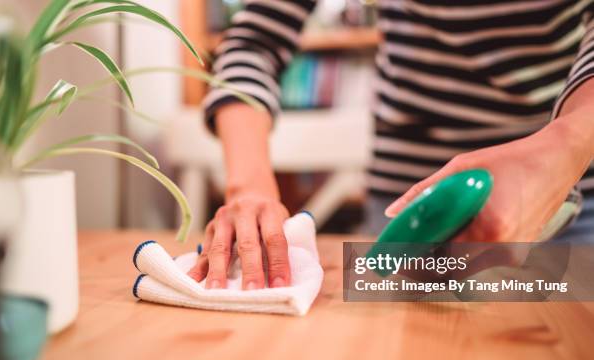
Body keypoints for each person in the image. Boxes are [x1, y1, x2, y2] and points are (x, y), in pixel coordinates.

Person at [187, 0, 594, 290]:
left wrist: (565, 143)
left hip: (565, 197)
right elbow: (253, 43)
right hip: (405, 212)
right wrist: (249, 187)